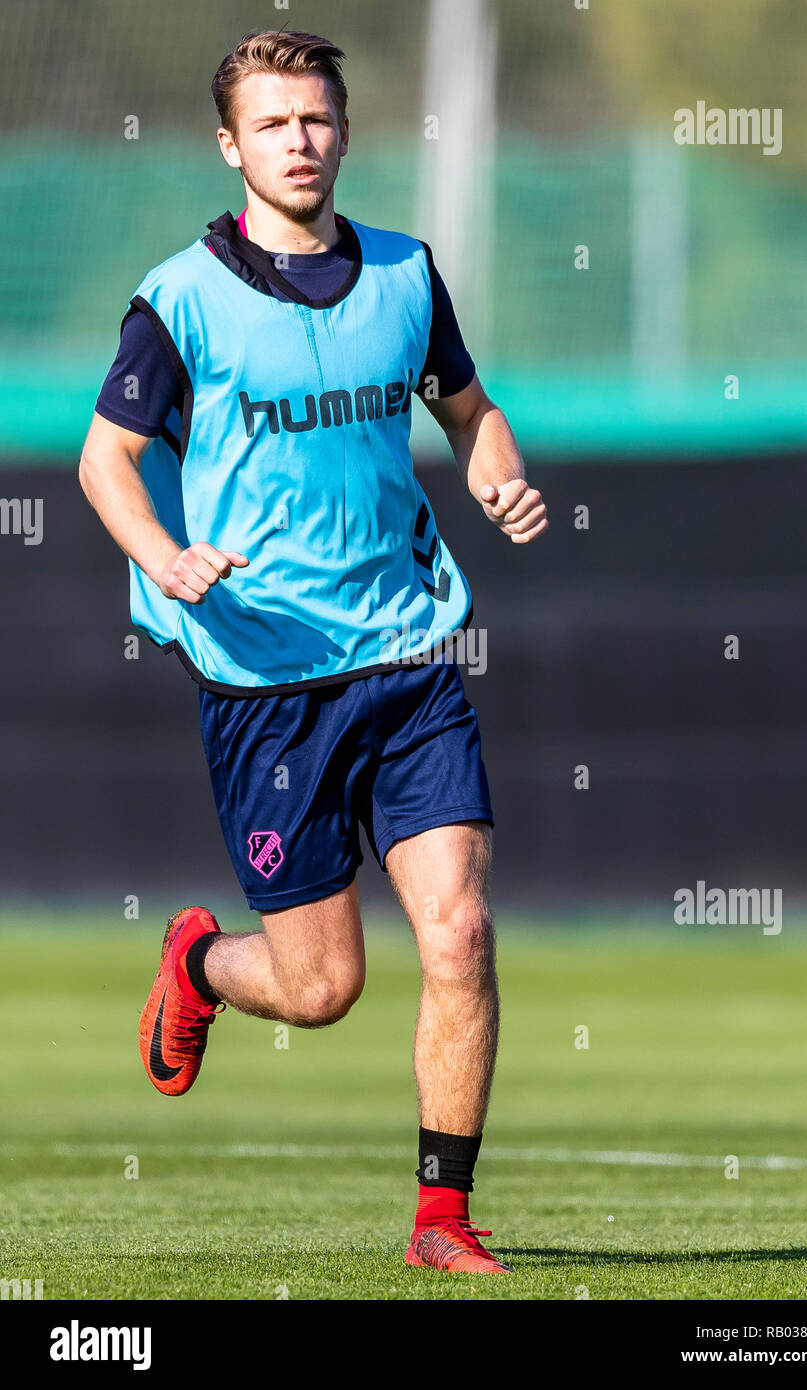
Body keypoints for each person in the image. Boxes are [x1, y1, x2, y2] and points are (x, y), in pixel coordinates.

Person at [79, 29, 547, 1275]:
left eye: (318, 119)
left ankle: (440, 1223)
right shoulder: (180, 298)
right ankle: (198, 963)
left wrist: (495, 475)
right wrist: (166, 557)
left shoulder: (405, 274)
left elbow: (468, 411)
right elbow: (103, 462)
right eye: (274, 123)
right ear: (231, 146)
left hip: (407, 655)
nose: (300, 140)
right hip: (264, 679)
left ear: (345, 132)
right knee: (322, 985)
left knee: (456, 934)